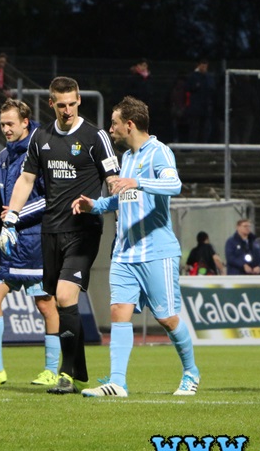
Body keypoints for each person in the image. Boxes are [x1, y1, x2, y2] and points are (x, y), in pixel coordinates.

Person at [72, 96, 200, 397]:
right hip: (125, 252)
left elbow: (174, 185)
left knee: (166, 318)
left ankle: (191, 373)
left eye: (114, 123)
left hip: (157, 251)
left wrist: (138, 182)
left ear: (129, 125)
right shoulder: (126, 159)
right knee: (119, 311)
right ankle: (117, 382)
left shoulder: (159, 153)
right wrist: (96, 205)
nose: (111, 129)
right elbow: (123, 198)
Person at [0, 76, 120, 394]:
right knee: (57, 301)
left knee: (65, 296)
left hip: (84, 230)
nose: (67, 110)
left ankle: (65, 374)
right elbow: (27, 179)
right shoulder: (41, 136)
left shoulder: (95, 137)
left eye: (72, 103)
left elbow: (114, 180)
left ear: (79, 100)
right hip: (50, 230)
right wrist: (11, 217)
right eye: (61, 104)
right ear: (51, 103)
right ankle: (79, 369)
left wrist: (121, 222)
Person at [0, 100, 60, 388]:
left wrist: (18, 215)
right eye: (2, 124)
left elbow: (52, 200)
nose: (6, 129)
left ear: (25, 122)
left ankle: (51, 370)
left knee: (46, 306)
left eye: (11, 124)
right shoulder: (1, 158)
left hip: (35, 244)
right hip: (6, 247)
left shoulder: (41, 153)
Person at [185, 58, 215, 143]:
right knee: (194, 128)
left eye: (205, 66)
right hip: (195, 107)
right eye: (202, 66)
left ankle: (203, 146)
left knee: (205, 128)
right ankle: (193, 146)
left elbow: (212, 89)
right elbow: (188, 88)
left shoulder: (209, 77)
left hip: (206, 107)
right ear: (198, 66)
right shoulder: (193, 76)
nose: (204, 68)